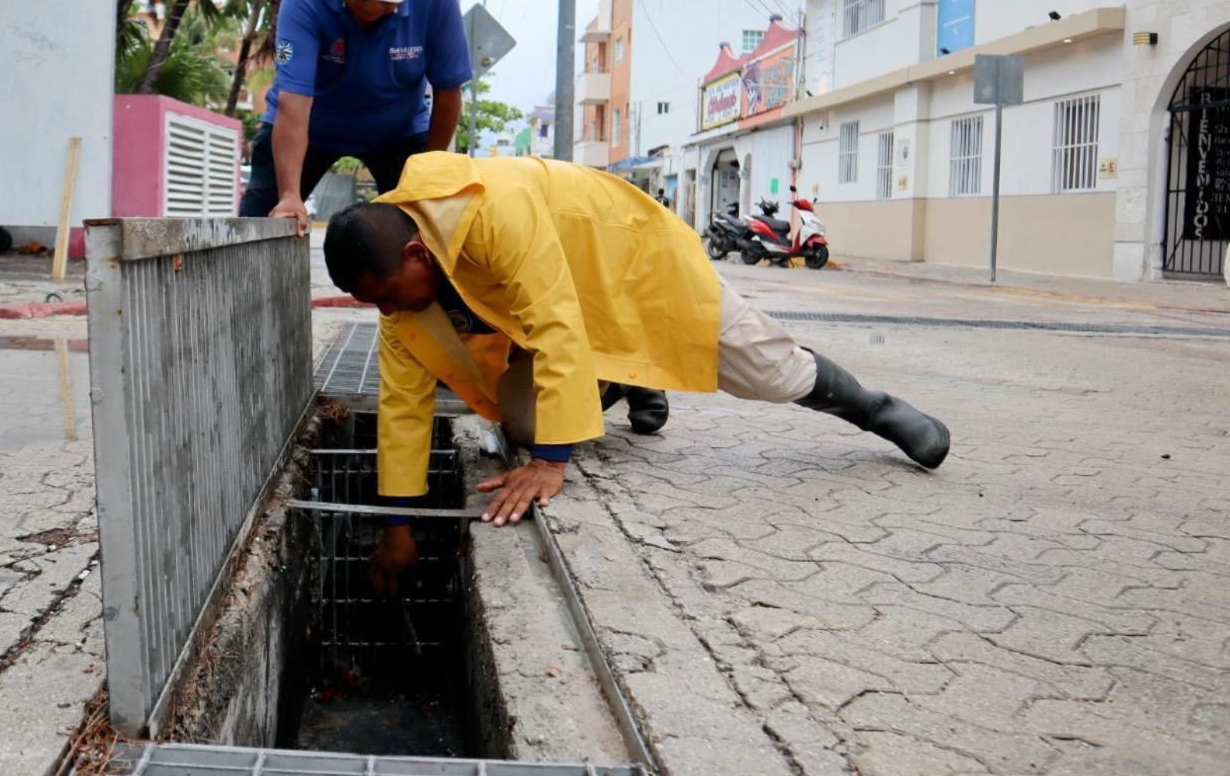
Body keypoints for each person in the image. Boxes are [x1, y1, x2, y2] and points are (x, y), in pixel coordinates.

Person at [321, 152, 951, 592]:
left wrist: (551, 464)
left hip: (631, 261)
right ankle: (617, 380)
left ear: (413, 252)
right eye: (375, 303)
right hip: (562, 319)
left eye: (388, 294)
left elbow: (558, 324)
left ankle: (872, 408)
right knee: (524, 417)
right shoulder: (401, 298)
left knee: (766, 369)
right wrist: (396, 527)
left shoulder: (493, 211)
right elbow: (404, 408)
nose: (387, 311)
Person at [238, 0, 473, 234]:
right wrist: (290, 196)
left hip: (398, 132)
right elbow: (294, 99)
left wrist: (427, 176)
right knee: (257, 229)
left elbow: (449, 93)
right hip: (308, 126)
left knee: (425, 236)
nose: (374, 9)